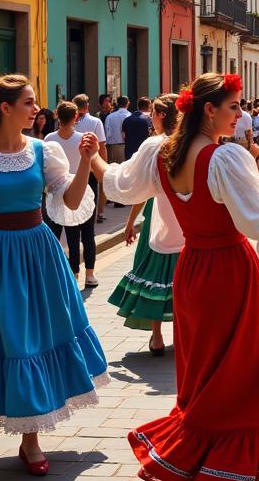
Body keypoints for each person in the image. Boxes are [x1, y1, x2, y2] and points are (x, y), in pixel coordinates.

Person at [95, 73, 259, 481]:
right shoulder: (224, 158)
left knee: (204, 376)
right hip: (228, 273)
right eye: (232, 108)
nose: (239, 115)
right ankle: (201, 479)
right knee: (241, 374)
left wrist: (93, 159)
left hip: (191, 273)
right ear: (209, 110)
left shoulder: (161, 153)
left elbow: (118, 185)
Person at [0, 74, 106, 475]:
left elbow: (73, 201)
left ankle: (31, 441)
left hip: (40, 254)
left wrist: (84, 162)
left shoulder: (43, 152)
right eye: (28, 102)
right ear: (6, 109)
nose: (36, 109)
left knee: (35, 339)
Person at [108, 94, 180, 356]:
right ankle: (182, 335)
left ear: (161, 116)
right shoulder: (188, 143)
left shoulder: (155, 145)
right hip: (185, 217)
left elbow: (139, 189)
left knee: (154, 272)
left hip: (158, 215)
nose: (151, 118)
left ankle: (158, 336)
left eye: (153, 114)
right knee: (180, 275)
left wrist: (131, 223)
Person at [45, 101, 99, 288]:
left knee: (68, 234)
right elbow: (92, 164)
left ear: (57, 116)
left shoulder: (49, 139)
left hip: (56, 189)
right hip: (82, 187)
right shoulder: (83, 138)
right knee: (87, 233)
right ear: (75, 117)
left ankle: (73, 273)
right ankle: (90, 274)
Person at [74, 94, 107, 223]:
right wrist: (103, 164)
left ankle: (76, 219)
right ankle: (90, 221)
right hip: (91, 164)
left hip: (73, 164)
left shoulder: (68, 121)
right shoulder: (95, 121)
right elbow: (102, 145)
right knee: (91, 193)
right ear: (87, 105)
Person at [104, 96, 131, 165]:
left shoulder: (110, 116)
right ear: (128, 103)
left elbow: (107, 133)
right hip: (128, 146)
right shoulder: (130, 116)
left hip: (113, 147)